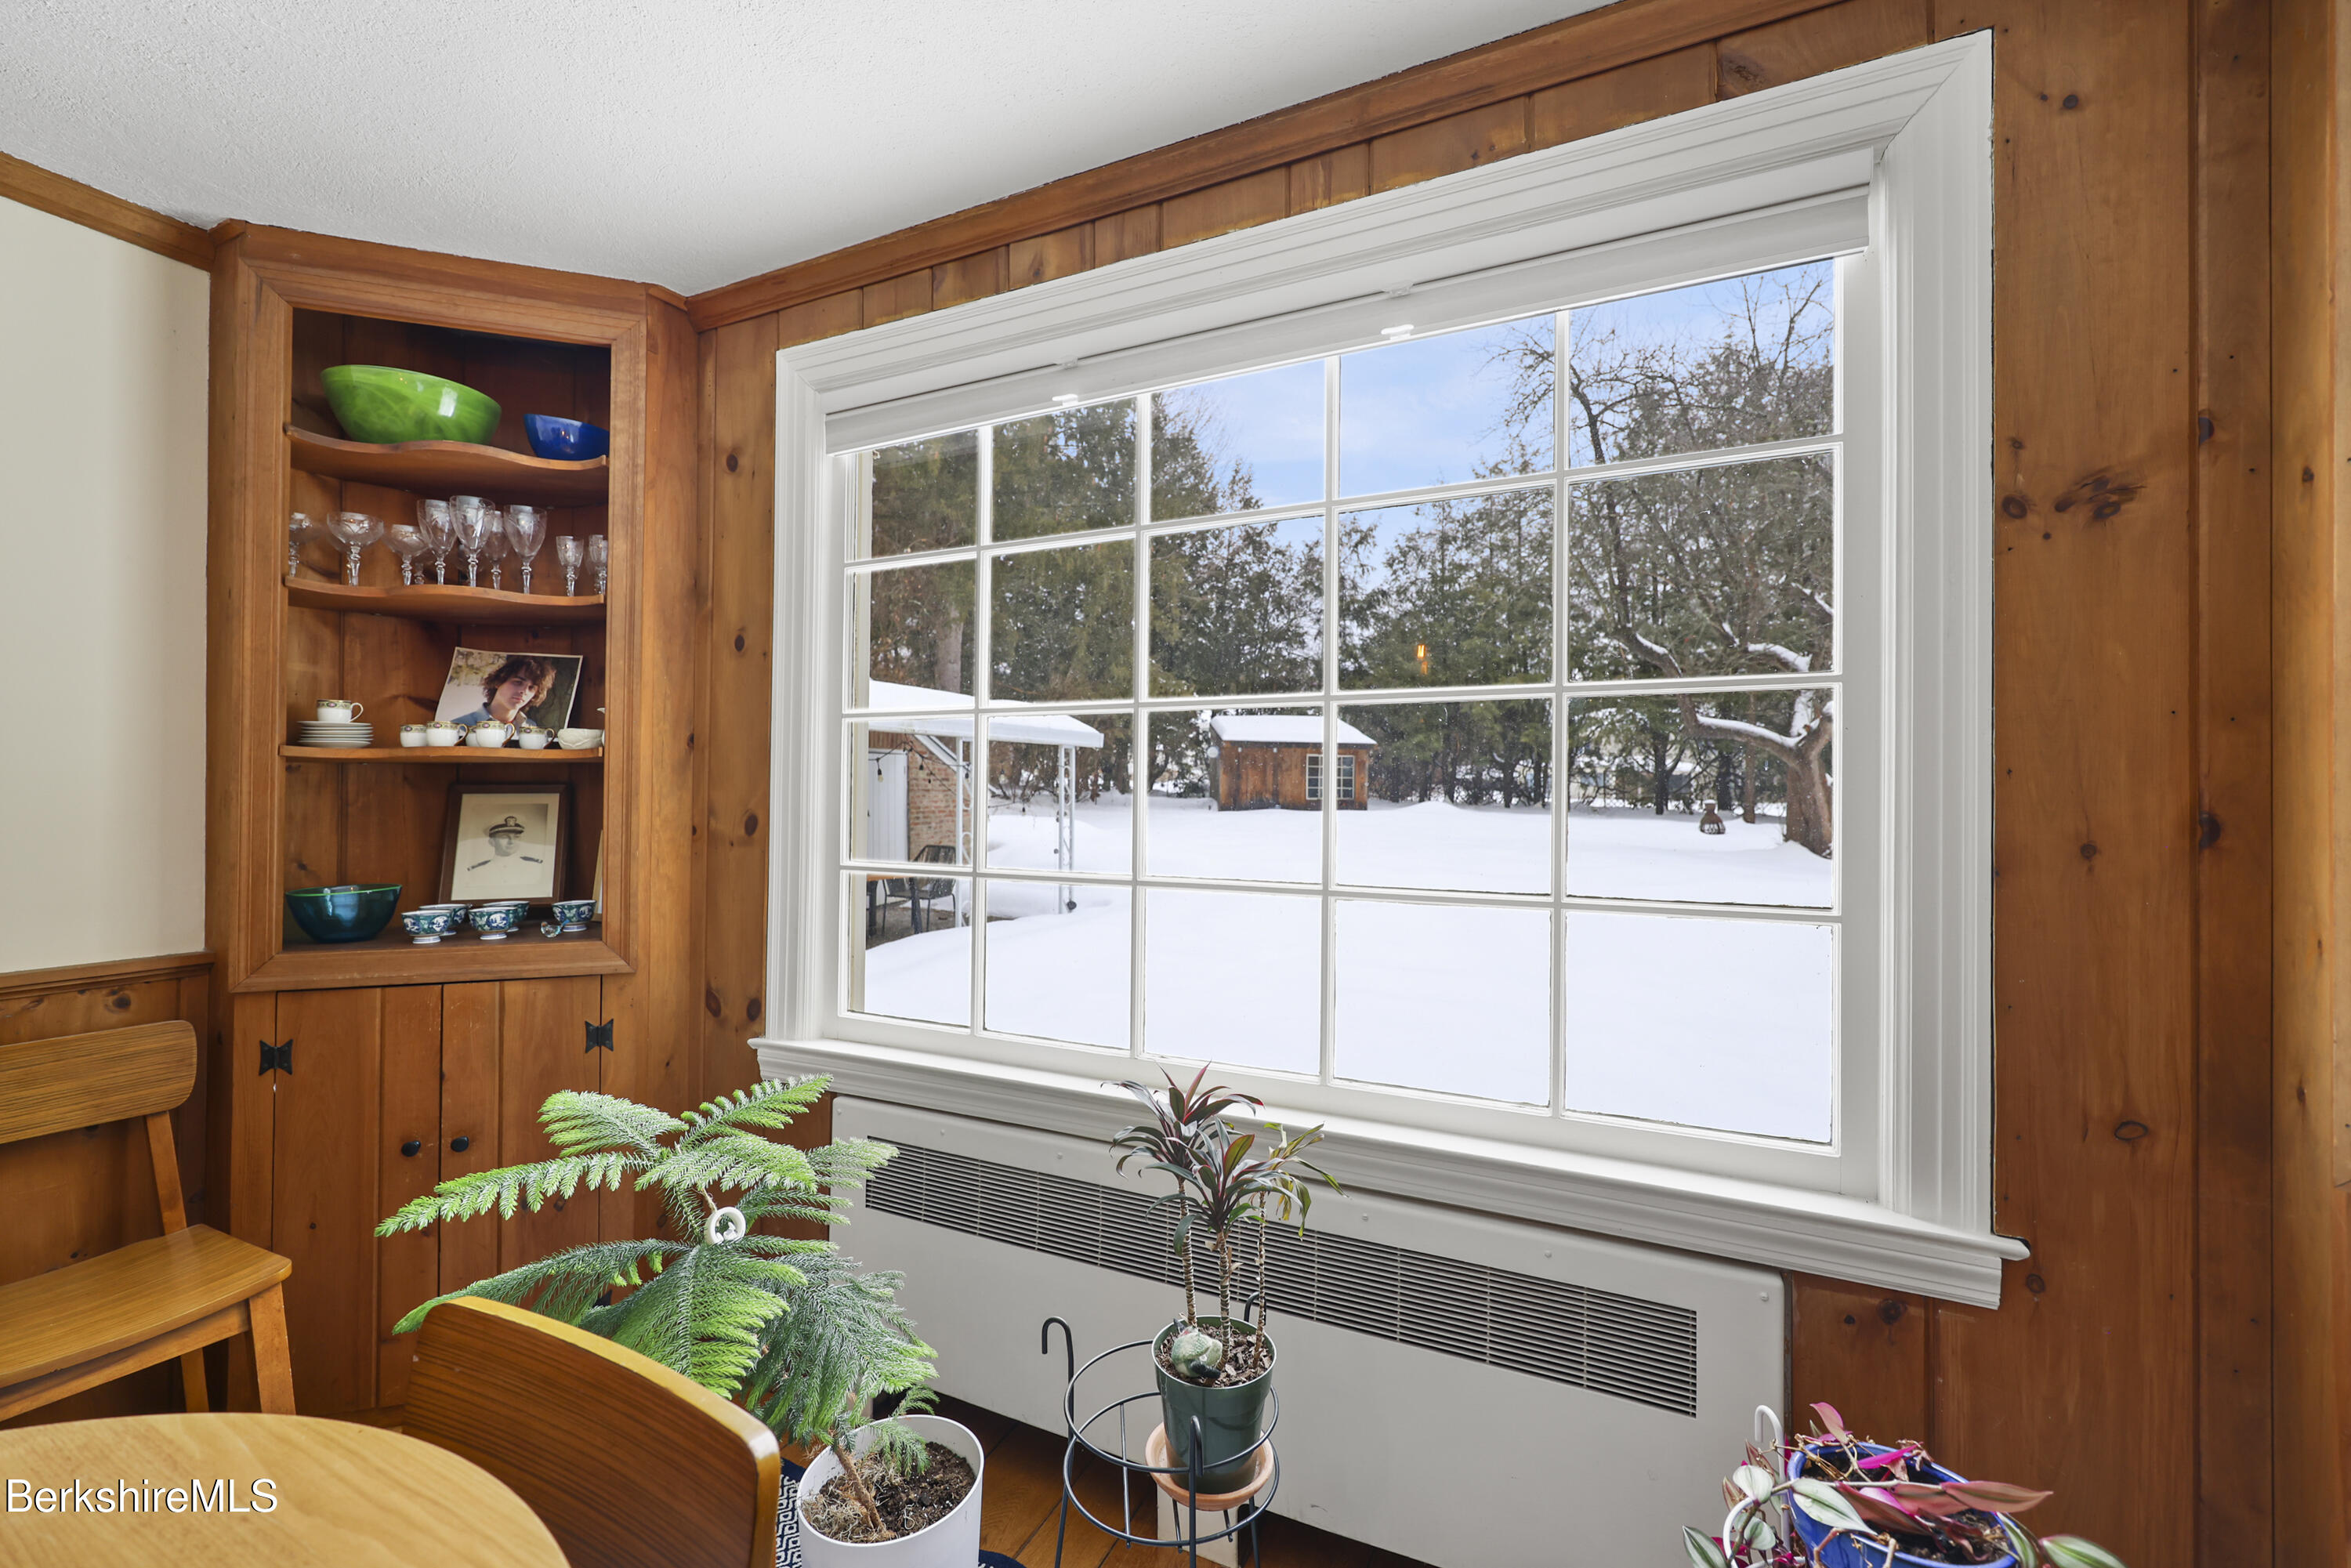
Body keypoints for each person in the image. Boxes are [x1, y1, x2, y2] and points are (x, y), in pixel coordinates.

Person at [447, 654, 560, 728]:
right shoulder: (460, 726)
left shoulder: (530, 729)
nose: (524, 691)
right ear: (499, 682)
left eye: (531, 688)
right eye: (518, 682)